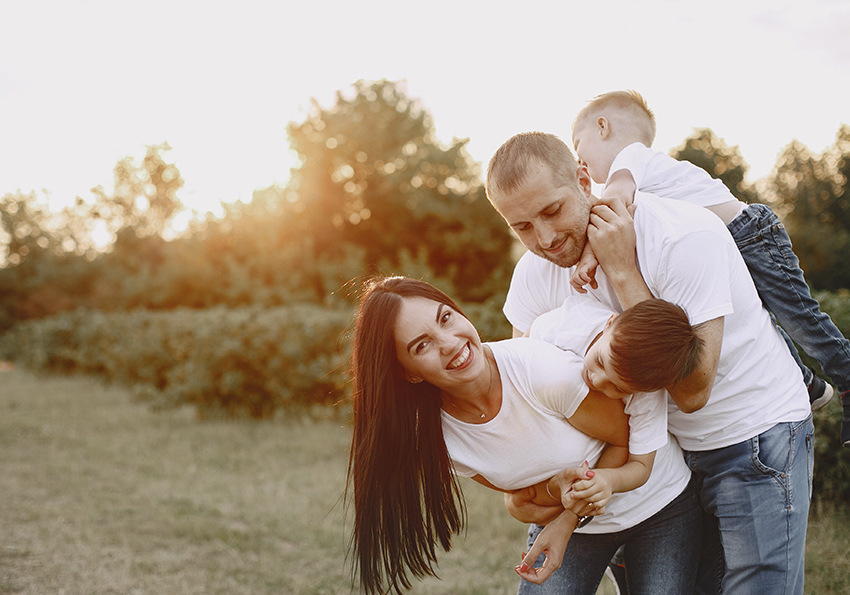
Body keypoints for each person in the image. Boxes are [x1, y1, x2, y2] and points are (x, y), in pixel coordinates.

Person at [486, 131, 814, 594]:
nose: (544, 238)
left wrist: (622, 271)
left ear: (584, 180)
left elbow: (692, 389)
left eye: (552, 211)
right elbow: (528, 394)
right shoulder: (535, 275)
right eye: (521, 226)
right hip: (666, 460)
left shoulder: (681, 236)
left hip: (752, 436)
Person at [347, 276, 701, 595]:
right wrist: (546, 493)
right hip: (577, 523)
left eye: (445, 318)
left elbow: (624, 441)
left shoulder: (545, 372)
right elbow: (524, 497)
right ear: (407, 374)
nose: (450, 343)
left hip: (657, 506)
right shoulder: (437, 441)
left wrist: (565, 521)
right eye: (421, 345)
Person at [570, 90, 850, 447]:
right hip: (730, 243)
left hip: (749, 234)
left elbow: (612, 205)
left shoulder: (631, 159)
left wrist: (590, 256)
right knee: (762, 318)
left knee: (799, 316)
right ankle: (805, 381)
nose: (586, 168)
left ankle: (847, 376)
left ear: (603, 128)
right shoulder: (647, 178)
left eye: (581, 150)